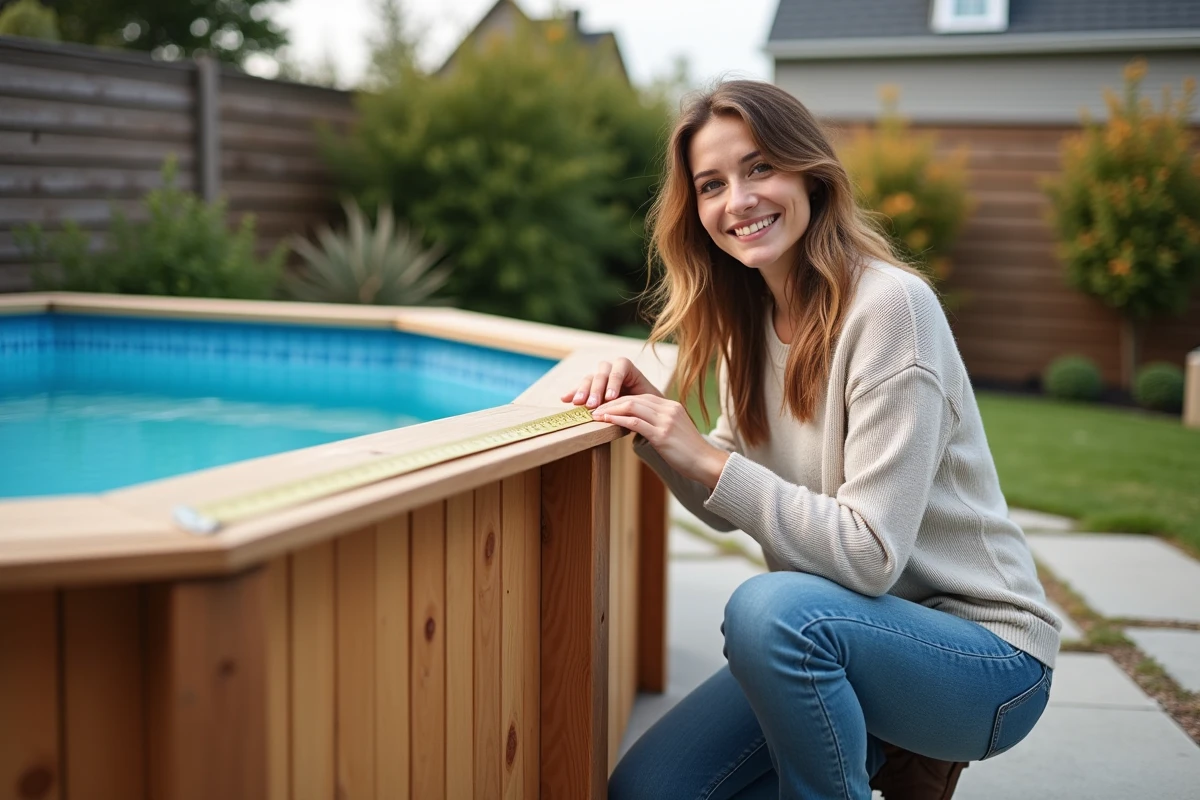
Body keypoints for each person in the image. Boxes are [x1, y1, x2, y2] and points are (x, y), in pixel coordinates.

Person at [561, 80, 1061, 799]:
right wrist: (653, 430)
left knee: (768, 609)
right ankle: (876, 746)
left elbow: (869, 556)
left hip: (985, 660)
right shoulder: (751, 314)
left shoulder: (892, 308)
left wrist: (704, 455)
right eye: (711, 184)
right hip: (841, 637)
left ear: (810, 173)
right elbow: (721, 497)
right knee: (652, 789)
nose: (738, 200)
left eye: (760, 167)